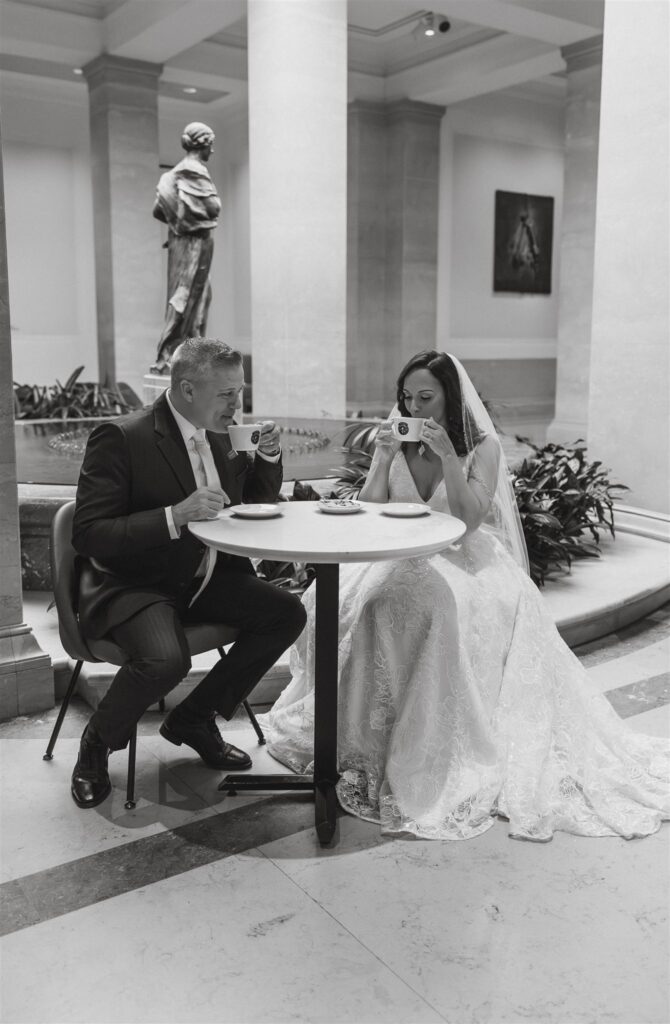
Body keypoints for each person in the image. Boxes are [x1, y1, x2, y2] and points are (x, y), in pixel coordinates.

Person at [261, 351, 669, 842]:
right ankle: (359, 733)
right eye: (407, 397)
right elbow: (368, 508)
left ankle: (423, 744)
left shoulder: (483, 447)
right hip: (398, 550)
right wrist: (386, 457)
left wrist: (450, 458)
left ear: (450, 398)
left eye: (425, 398)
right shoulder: (399, 437)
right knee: (342, 602)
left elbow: (470, 519)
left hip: (462, 556)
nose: (413, 407)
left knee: (429, 610)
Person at [70, 338, 307, 809]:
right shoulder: (122, 436)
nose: (238, 405)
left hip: (206, 576)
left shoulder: (220, 433)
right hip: (139, 585)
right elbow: (90, 533)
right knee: (165, 659)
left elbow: (253, 503)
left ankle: (194, 718)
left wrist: (268, 459)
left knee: (286, 613)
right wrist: (173, 516)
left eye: (240, 391)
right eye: (227, 394)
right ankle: (96, 743)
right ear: (187, 388)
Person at [152, 122, 221, 373]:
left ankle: (185, 352)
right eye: (210, 145)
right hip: (192, 246)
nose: (212, 152)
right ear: (202, 144)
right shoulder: (192, 171)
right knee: (187, 296)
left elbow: (159, 209)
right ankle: (175, 353)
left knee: (199, 298)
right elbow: (212, 209)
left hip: (186, 244)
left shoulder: (174, 175)